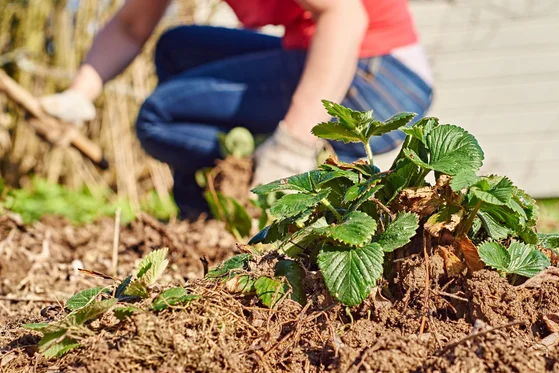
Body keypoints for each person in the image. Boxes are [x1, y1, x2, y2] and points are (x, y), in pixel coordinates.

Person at [41, 0, 434, 220]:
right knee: (178, 49)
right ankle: (203, 215)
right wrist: (79, 95)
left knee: (158, 117)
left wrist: (294, 142)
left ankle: (266, 181)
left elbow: (346, 15)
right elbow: (131, 25)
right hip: (326, 56)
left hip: (381, 78)